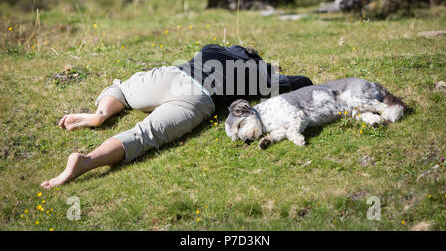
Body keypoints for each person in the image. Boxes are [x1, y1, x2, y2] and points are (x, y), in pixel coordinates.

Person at [40, 44, 312, 188]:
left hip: (172, 75)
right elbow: (301, 81)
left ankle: (100, 114)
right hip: (198, 97)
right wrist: (270, 72)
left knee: (122, 89)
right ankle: (87, 161)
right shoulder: (255, 73)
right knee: (144, 136)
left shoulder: (212, 48)